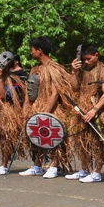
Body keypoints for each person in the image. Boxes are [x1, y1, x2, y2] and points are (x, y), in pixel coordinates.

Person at [21, 37, 76, 179]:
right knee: (35, 137)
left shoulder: (54, 69)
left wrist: (45, 113)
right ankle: (37, 165)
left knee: (54, 138)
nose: (30, 53)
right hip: (36, 107)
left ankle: (54, 166)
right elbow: (30, 90)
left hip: (51, 109)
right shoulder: (36, 69)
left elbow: (55, 93)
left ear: (40, 51)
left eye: (32, 50)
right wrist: (27, 107)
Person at [70, 44, 104, 183]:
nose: (86, 62)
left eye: (89, 59)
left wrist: (94, 110)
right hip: (82, 110)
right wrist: (74, 72)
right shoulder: (82, 70)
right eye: (84, 59)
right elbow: (75, 88)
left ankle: (97, 172)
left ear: (96, 55)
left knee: (96, 142)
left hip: (96, 110)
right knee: (82, 141)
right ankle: (84, 168)